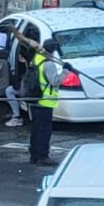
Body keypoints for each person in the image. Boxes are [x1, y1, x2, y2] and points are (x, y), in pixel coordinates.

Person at [29, 38, 72, 166]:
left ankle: (34, 156)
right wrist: (66, 71)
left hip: (34, 99)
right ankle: (43, 156)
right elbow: (55, 82)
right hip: (45, 101)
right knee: (45, 131)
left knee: (36, 130)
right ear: (54, 50)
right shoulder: (49, 64)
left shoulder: (37, 58)